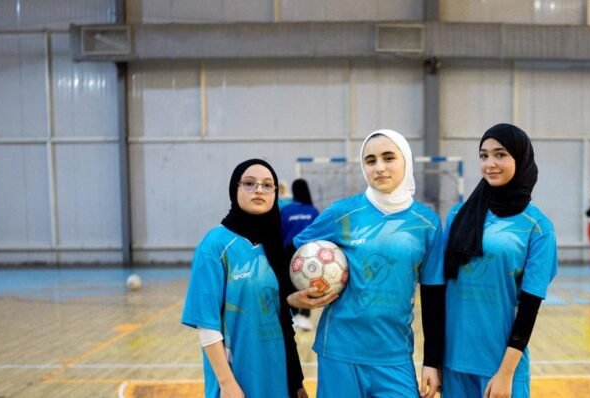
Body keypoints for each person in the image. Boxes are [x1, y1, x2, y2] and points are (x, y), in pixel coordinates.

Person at [287, 129, 444, 398]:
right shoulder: (343, 213)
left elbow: (433, 297)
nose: (379, 167)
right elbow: (288, 252)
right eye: (371, 161)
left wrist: (432, 361)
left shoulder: (427, 223)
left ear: (405, 160)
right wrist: (291, 298)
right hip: (339, 351)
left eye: (388, 158)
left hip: (394, 356)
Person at [435, 123, 559, 398]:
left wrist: (505, 374)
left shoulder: (537, 227)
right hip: (454, 364)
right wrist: (433, 360)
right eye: (483, 155)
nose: (490, 163)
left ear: (521, 158)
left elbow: (529, 307)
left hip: (500, 368)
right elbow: (439, 289)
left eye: (500, 154)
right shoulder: (458, 216)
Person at [180, 159, 306, 398]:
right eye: (249, 183)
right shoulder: (215, 245)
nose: (259, 189)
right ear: (234, 189)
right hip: (237, 381)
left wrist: (296, 381)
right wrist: (227, 384)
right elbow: (207, 325)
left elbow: (284, 323)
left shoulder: (275, 245)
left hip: (279, 379)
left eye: (268, 185)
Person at [281, 179, 321, 331]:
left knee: (290, 282)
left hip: (288, 251)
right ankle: (304, 316)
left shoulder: (286, 210)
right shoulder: (312, 210)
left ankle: (294, 315)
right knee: (306, 282)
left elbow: (280, 232)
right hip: (308, 253)